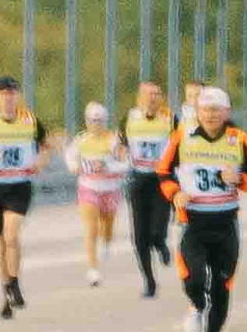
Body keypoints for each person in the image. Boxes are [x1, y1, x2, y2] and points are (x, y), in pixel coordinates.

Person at [155, 85, 247, 332]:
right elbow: (163, 173)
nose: (211, 115)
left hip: (226, 223)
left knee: (222, 288)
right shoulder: (182, 137)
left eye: (216, 110)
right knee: (194, 279)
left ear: (226, 112)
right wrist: (175, 193)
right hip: (194, 221)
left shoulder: (240, 140)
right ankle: (196, 305)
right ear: (197, 112)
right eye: (206, 110)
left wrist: (238, 179)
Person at [0, 75, 47, 320]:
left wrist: (39, 161)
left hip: (19, 185)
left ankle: (14, 282)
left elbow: (46, 145)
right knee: (0, 243)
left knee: (11, 234)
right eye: (3, 94)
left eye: (12, 93)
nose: (8, 98)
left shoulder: (30, 120)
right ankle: (6, 291)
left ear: (18, 96)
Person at [121, 80, 178, 297]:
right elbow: (121, 144)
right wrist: (120, 154)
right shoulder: (129, 118)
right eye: (149, 94)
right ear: (140, 97)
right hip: (138, 180)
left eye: (157, 94)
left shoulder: (171, 119)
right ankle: (149, 281)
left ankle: (161, 242)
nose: (153, 98)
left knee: (157, 228)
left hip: (162, 180)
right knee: (139, 237)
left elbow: (181, 145)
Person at [66, 103, 128, 286]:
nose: (96, 124)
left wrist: (108, 166)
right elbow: (70, 157)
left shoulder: (114, 140)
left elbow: (126, 164)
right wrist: (74, 167)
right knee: (91, 228)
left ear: (105, 121)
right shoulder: (81, 140)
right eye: (93, 121)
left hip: (110, 188)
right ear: (86, 121)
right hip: (88, 187)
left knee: (107, 227)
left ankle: (107, 243)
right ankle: (93, 269)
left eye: (100, 121)